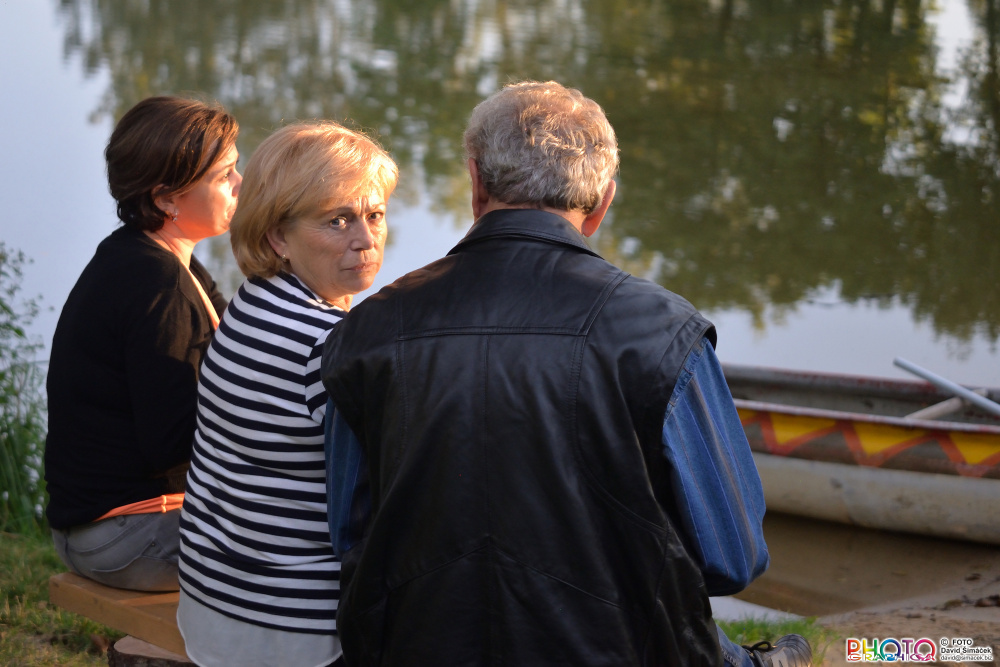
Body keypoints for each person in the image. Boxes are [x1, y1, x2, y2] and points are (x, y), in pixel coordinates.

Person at [322, 81, 812, 666]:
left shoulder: (368, 329)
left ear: (476, 184)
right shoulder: (661, 331)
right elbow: (730, 557)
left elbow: (348, 531)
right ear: (603, 201)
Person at [176, 121, 398, 667]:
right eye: (337, 220)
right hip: (292, 630)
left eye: (374, 216)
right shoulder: (327, 344)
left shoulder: (251, 302)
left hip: (211, 602)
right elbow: (397, 487)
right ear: (278, 237)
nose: (366, 240)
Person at [45, 96, 239, 592]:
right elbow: (173, 444)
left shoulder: (149, 256)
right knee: (311, 536)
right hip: (126, 536)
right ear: (166, 198)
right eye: (224, 176)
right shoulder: (160, 287)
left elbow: (238, 342)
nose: (241, 184)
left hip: (95, 530)